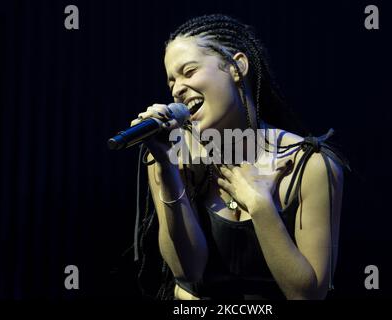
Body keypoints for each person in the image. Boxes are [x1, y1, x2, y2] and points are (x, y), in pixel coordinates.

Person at [129, 14, 350, 300]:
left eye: (189, 71)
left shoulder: (311, 167)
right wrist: (167, 173)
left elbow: (308, 296)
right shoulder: (172, 157)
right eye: (171, 81)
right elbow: (188, 271)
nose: (177, 90)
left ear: (237, 67)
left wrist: (260, 206)